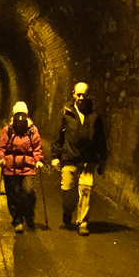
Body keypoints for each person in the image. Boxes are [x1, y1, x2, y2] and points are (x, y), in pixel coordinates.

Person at [50, 82, 107, 236]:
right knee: (68, 192)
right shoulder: (65, 113)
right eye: (78, 94)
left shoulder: (95, 116)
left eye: (84, 95)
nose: (81, 98)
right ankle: (68, 211)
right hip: (69, 158)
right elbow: (57, 137)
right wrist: (55, 157)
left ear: (88, 96)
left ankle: (82, 222)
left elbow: (100, 139)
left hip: (88, 159)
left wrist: (102, 159)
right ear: (73, 94)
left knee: (86, 190)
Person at [0, 102, 44, 233]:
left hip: (28, 165)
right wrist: (1, 158)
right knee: (14, 194)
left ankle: (28, 214)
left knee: (28, 192)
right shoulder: (8, 130)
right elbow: (2, 147)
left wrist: (38, 160)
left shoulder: (32, 130)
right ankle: (17, 220)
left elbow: (37, 148)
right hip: (11, 166)